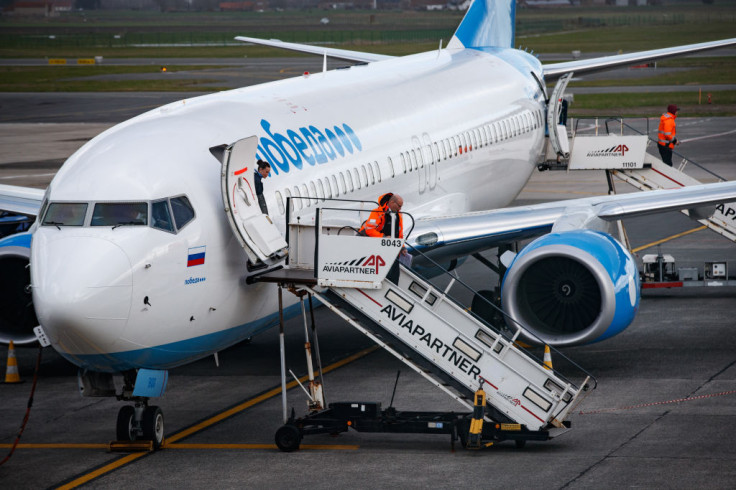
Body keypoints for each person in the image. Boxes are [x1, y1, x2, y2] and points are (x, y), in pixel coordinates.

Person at [359, 193, 408, 283]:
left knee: (394, 273)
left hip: (390, 247)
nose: (400, 209)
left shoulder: (398, 214)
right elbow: (369, 230)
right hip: (375, 246)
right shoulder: (377, 212)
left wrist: (402, 246)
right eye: (399, 206)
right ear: (392, 202)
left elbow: (399, 233)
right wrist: (384, 237)